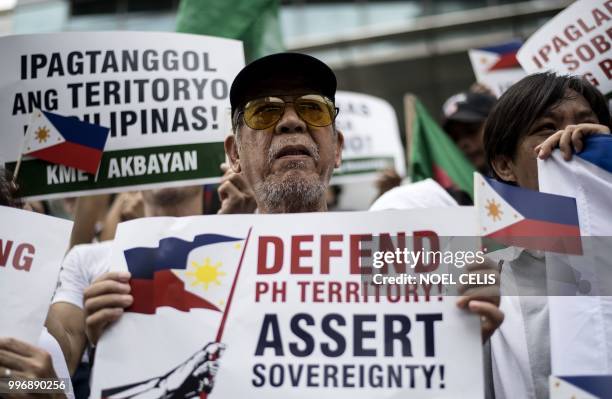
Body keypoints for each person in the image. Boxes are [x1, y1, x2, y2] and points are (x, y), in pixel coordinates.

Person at [482, 72, 610, 399]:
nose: (570, 137)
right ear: (504, 166)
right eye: (547, 129)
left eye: (586, 125)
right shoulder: (479, 273)